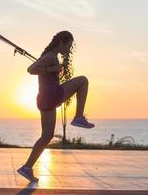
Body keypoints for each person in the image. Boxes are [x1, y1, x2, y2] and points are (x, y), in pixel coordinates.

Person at [17, 31, 95, 182]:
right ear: (60, 43)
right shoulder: (50, 56)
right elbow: (31, 70)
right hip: (50, 95)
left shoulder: (50, 56)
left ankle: (26, 168)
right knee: (83, 81)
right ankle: (78, 117)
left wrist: (53, 70)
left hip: (45, 98)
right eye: (68, 45)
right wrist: (51, 69)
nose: (68, 49)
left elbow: (39, 69)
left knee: (47, 136)